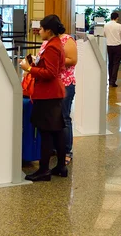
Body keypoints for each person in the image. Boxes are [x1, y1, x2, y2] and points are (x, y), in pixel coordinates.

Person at [19, 15, 67, 182]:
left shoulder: (53, 47)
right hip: (53, 93)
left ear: (49, 30)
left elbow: (51, 73)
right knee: (57, 130)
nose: (39, 31)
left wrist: (29, 69)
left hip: (48, 94)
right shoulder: (54, 44)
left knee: (46, 133)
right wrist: (36, 63)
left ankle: (44, 170)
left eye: (41, 29)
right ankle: (61, 166)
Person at [59, 30, 77, 165]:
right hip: (52, 85)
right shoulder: (49, 41)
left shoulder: (67, 40)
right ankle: (56, 147)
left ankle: (66, 151)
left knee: (64, 117)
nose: (39, 31)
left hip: (65, 84)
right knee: (54, 117)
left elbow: (72, 60)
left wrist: (53, 60)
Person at [103, 12, 121, 87]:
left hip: (109, 46)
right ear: (117, 18)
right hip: (117, 46)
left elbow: (104, 35)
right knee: (116, 64)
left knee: (110, 63)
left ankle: (110, 80)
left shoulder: (106, 25)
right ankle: (113, 81)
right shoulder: (119, 26)